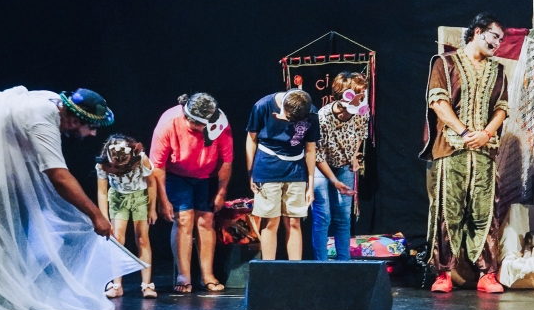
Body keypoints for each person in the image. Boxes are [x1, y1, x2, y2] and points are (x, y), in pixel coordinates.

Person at [0, 87, 143, 310]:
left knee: (4, 227)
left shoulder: (52, 102)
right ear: (73, 120)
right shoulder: (43, 120)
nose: (93, 134)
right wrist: (96, 215)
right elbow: (59, 176)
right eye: (91, 127)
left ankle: (7, 294)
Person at [421, 13, 510, 294]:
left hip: (483, 150)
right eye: (494, 36)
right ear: (478, 32)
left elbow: (502, 108)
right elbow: (438, 101)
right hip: (451, 147)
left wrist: (485, 134)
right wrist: (463, 132)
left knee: (485, 212)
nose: (497, 44)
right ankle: (443, 273)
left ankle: (486, 273)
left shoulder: (498, 70)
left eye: (501, 40)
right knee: (447, 210)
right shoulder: (445, 63)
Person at [150, 93, 233, 293]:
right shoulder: (169, 123)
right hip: (177, 175)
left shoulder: (220, 124)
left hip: (207, 175)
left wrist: (221, 191)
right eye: (200, 124)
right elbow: (157, 166)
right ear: (189, 118)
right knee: (184, 220)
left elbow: (226, 160)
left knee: (206, 221)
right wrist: (163, 200)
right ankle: (184, 275)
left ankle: (207, 275)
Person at [246, 88, 321, 261]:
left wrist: (310, 184)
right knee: (271, 221)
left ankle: (295, 270)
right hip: (267, 167)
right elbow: (251, 138)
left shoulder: (311, 111)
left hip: (296, 169)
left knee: (294, 221)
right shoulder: (263, 105)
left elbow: (310, 148)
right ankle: (268, 269)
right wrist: (251, 172)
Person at [313, 72, 369, 261]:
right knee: (323, 217)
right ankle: (321, 264)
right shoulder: (323, 117)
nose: (362, 98)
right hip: (322, 167)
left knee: (343, 217)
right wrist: (334, 181)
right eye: (359, 95)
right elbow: (317, 155)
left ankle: (343, 263)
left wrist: (354, 156)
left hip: (344, 166)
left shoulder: (361, 113)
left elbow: (361, 133)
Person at [96, 134, 157, 298]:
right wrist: (104, 217)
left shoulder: (141, 159)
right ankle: (117, 285)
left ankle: (147, 285)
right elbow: (102, 191)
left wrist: (152, 209)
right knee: (117, 239)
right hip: (118, 198)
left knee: (142, 238)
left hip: (139, 197)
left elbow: (151, 183)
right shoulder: (102, 164)